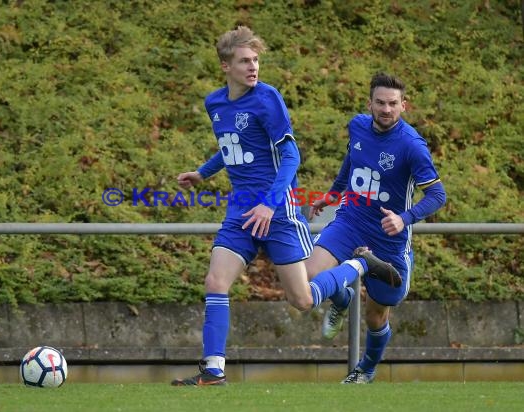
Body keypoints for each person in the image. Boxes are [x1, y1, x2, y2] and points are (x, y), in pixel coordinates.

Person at [171, 28, 402, 386]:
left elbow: (291, 155)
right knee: (215, 280)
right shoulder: (214, 104)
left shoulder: (267, 98)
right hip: (241, 211)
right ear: (225, 66)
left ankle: (355, 268)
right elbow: (233, 145)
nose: (253, 67)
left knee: (303, 299)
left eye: (256, 60)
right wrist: (203, 173)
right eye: (245, 61)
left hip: (278, 210)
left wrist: (269, 204)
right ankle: (214, 370)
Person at [306, 72, 447, 384]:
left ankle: (366, 370)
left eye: (393, 104)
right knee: (310, 273)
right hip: (350, 221)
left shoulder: (412, 146)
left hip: (388, 242)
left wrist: (404, 218)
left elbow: (438, 195)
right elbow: (351, 163)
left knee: (375, 316)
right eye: (380, 103)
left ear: (404, 105)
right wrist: (332, 195)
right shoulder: (357, 126)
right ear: (369, 103)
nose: (386, 109)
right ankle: (341, 301)